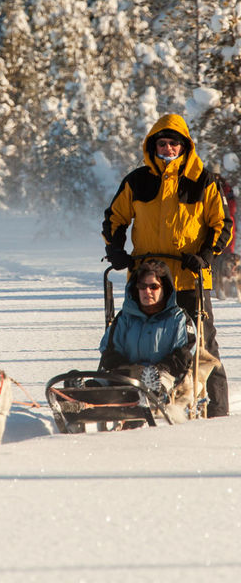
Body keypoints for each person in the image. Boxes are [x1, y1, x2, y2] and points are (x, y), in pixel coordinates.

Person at [102, 113, 233, 418]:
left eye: (174, 143)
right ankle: (119, 394)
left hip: (189, 278)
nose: (168, 148)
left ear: (184, 146)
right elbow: (114, 218)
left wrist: (205, 256)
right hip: (146, 280)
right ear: (153, 146)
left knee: (203, 346)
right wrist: (116, 250)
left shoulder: (204, 181)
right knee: (128, 338)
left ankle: (217, 412)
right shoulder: (137, 181)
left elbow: (222, 225)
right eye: (162, 143)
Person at [99, 260, 196, 406]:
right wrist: (126, 368)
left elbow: (184, 353)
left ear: (165, 289)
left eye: (154, 287)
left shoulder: (179, 319)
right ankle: (80, 393)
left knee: (158, 381)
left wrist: (160, 369)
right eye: (142, 286)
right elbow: (109, 349)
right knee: (104, 381)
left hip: (164, 375)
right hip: (125, 373)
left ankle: (152, 393)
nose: (147, 291)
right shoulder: (125, 317)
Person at [211, 163, 237, 254]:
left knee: (230, 227)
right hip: (211, 217)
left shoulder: (226, 188)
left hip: (225, 216)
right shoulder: (206, 186)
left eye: (216, 176)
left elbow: (232, 205)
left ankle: (228, 254)